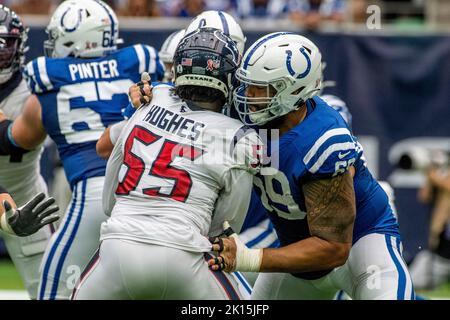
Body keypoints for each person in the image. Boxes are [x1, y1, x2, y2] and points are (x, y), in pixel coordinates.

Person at [209, 32, 415, 300]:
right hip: (300, 260)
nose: (248, 95)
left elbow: (334, 248)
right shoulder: (248, 115)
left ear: (293, 91)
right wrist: (150, 95)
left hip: (359, 244)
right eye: (247, 85)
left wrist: (249, 258)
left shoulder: (321, 139)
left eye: (261, 88)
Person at [72, 27, 260, 299]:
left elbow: (109, 195)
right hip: (184, 256)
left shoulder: (150, 101)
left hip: (118, 246)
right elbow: (227, 225)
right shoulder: (241, 136)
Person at [6, 0, 164, 299]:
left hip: (94, 195)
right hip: (149, 194)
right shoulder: (140, 63)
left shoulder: (48, 78)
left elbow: (18, 138)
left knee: (52, 292)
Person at [0, 4, 56, 299]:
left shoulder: (36, 88)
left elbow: (13, 139)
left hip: (26, 200)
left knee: (52, 291)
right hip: (16, 197)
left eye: (3, 44)